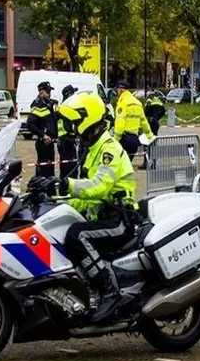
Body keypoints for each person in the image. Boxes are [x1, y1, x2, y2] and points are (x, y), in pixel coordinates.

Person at [42, 92, 138, 323]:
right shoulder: (92, 150)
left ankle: (109, 290)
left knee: (77, 235)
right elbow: (85, 198)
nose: (73, 128)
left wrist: (65, 183)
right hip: (103, 215)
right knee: (62, 226)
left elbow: (99, 188)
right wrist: (53, 205)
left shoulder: (108, 150)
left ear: (87, 120)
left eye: (76, 123)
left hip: (119, 219)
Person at [113, 80, 153, 164]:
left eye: (117, 89)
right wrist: (150, 136)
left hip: (124, 140)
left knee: (118, 166)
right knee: (127, 166)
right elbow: (143, 122)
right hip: (134, 140)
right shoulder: (137, 103)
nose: (117, 91)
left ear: (121, 89)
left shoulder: (122, 102)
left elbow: (120, 122)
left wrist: (115, 140)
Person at [26, 81, 58, 177]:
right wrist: (43, 135)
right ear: (41, 92)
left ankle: (49, 189)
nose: (49, 94)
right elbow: (30, 124)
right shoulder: (38, 105)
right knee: (43, 171)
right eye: (47, 91)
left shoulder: (49, 103)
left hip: (50, 143)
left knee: (50, 169)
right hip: (43, 143)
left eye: (50, 91)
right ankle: (41, 188)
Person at [140, 90, 166, 170]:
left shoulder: (149, 101)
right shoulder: (158, 100)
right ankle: (154, 163)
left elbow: (145, 112)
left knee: (146, 144)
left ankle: (146, 163)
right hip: (155, 124)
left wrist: (148, 117)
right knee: (154, 144)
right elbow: (163, 111)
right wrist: (157, 118)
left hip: (149, 124)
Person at [58, 84, 79, 178]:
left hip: (64, 141)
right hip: (67, 141)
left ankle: (64, 188)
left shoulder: (63, 106)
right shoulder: (66, 108)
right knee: (71, 170)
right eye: (73, 93)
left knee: (65, 169)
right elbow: (68, 126)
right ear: (69, 95)